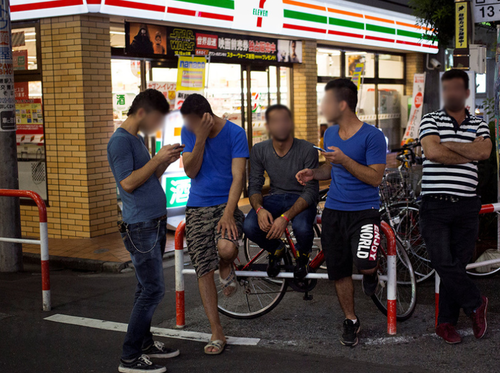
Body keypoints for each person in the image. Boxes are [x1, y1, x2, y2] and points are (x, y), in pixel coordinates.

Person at [296, 79, 386, 347]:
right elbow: (331, 170)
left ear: (342, 104)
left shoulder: (373, 136)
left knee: (365, 262)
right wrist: (315, 174)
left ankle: (372, 274)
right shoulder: (330, 134)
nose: (323, 106)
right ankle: (351, 320)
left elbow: (375, 178)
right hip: (334, 211)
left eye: (327, 101)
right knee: (339, 270)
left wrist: (345, 160)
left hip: (365, 211)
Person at [107, 89, 183, 373]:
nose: (157, 125)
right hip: (141, 225)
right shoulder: (119, 142)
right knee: (152, 290)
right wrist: (156, 160)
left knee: (145, 288)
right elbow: (127, 183)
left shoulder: (136, 139)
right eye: (157, 119)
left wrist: (163, 162)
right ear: (143, 113)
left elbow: (146, 178)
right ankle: (129, 357)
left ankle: (145, 343)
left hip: (151, 221)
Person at [419, 69, 491, 344]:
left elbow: (484, 152)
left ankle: (446, 323)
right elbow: (432, 152)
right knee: (441, 260)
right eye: (446, 89)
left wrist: (447, 144)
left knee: (457, 264)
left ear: (466, 93)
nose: (450, 93)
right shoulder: (430, 119)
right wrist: (465, 149)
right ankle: (475, 303)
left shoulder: (479, 122)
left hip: (467, 205)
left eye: (455, 89)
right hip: (435, 204)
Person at [180, 94, 249, 355]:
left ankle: (227, 264)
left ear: (206, 117)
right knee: (202, 268)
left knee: (227, 249)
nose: (188, 127)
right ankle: (217, 331)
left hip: (226, 204)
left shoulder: (235, 133)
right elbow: (191, 171)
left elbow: (238, 177)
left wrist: (229, 213)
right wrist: (198, 138)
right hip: (197, 205)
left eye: (192, 123)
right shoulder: (191, 133)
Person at [243, 104, 318, 279]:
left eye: (285, 120)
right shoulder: (259, 150)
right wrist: (259, 210)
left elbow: (311, 191)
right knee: (249, 225)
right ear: (268, 126)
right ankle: (276, 249)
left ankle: (303, 256)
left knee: (301, 227)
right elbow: (254, 186)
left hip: (301, 198)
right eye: (275, 121)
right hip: (275, 197)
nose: (281, 125)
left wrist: (285, 217)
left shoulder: (307, 149)